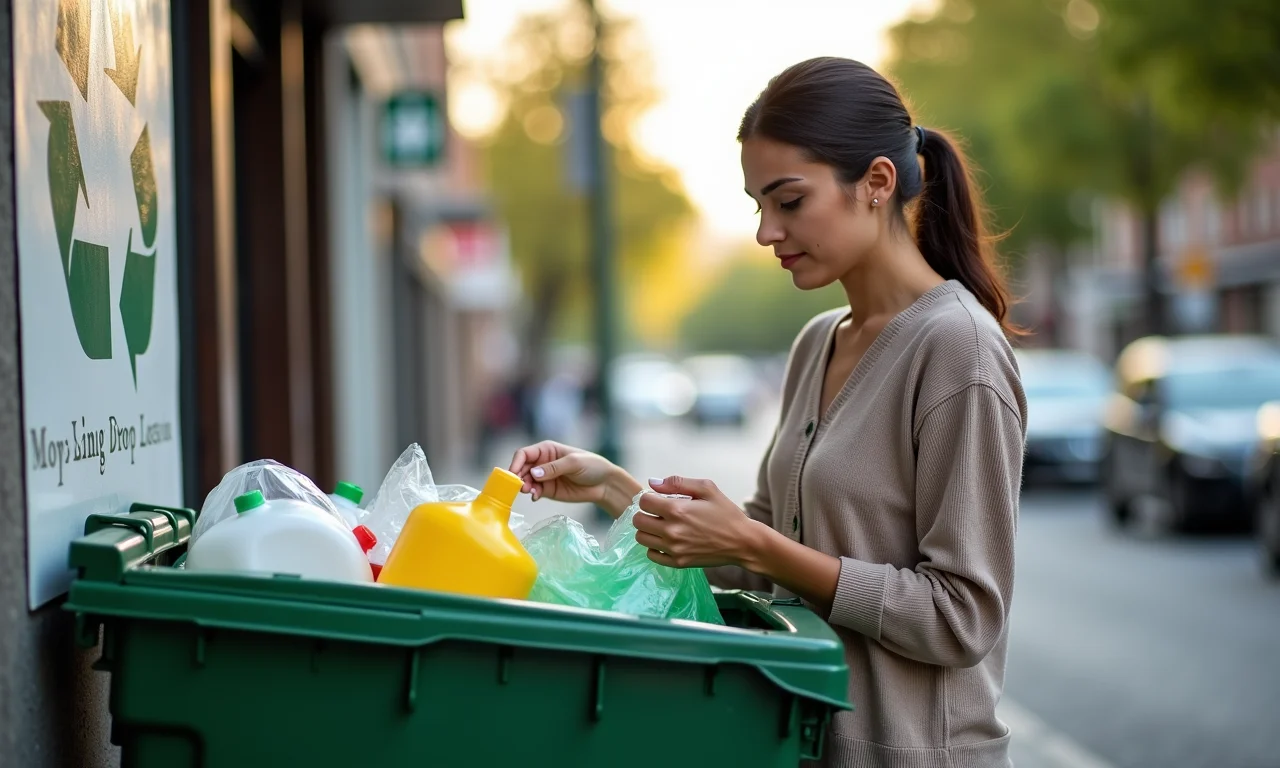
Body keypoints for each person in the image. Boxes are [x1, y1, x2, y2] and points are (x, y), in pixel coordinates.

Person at [509, 57, 1026, 768]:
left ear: (876, 183)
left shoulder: (959, 350)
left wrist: (760, 547)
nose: (765, 231)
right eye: (758, 205)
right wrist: (613, 489)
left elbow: (961, 617)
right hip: (801, 745)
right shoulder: (820, 342)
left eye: (788, 201)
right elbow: (760, 550)